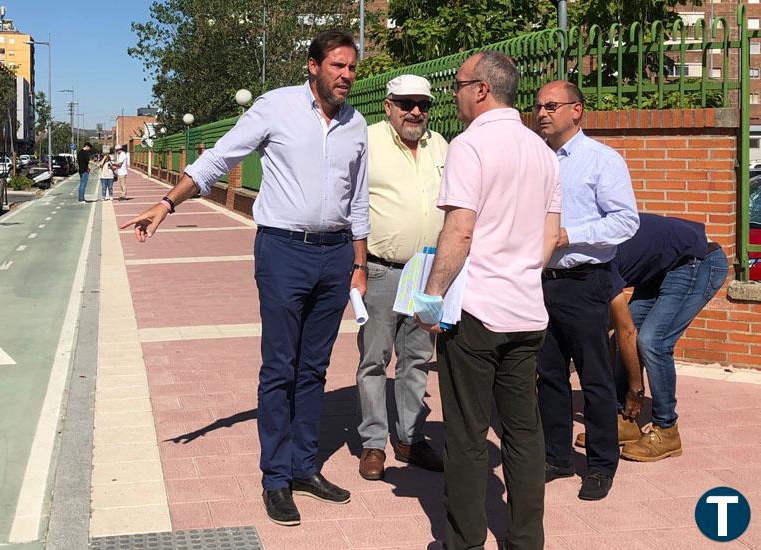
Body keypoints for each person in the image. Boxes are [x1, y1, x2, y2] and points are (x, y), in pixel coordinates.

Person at [120, 29, 368, 527]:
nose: (346, 76)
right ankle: (276, 477)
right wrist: (167, 204)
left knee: (315, 369)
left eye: (351, 68)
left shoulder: (356, 124)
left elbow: (357, 200)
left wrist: (359, 264)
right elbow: (219, 158)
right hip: (282, 252)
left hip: (335, 255)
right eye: (337, 66)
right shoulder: (274, 108)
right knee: (280, 366)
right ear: (312, 66)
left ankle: (303, 466)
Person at [415, 51, 562, 550]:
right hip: (526, 310)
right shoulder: (541, 149)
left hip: (476, 313)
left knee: (467, 435)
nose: (452, 94)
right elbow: (549, 235)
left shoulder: (469, 145)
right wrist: (521, 272)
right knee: (524, 432)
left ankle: (464, 541)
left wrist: (430, 299)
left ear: (480, 89)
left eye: (457, 84)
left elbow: (459, 230)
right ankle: (525, 540)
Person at [533, 80, 639, 501]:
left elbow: (625, 222)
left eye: (551, 106)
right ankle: (557, 457)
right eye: (538, 105)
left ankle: (600, 464)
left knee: (594, 379)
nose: (541, 112)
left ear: (576, 110)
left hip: (585, 282)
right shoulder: (537, 159)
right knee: (549, 375)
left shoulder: (601, 160)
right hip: (542, 282)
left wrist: (569, 235)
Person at [576, 213, 728, 461]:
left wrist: (635, 389)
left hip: (697, 259)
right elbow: (614, 330)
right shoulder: (578, 255)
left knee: (653, 342)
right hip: (660, 266)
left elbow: (625, 331)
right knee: (631, 338)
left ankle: (667, 429)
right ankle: (624, 420)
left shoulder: (596, 256)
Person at [356, 73, 447, 481]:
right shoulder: (367, 141)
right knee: (374, 360)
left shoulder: (439, 144)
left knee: (416, 361)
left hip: (428, 272)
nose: (415, 112)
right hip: (381, 269)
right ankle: (373, 442)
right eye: (407, 103)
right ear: (388, 105)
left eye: (423, 105)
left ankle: (410, 437)